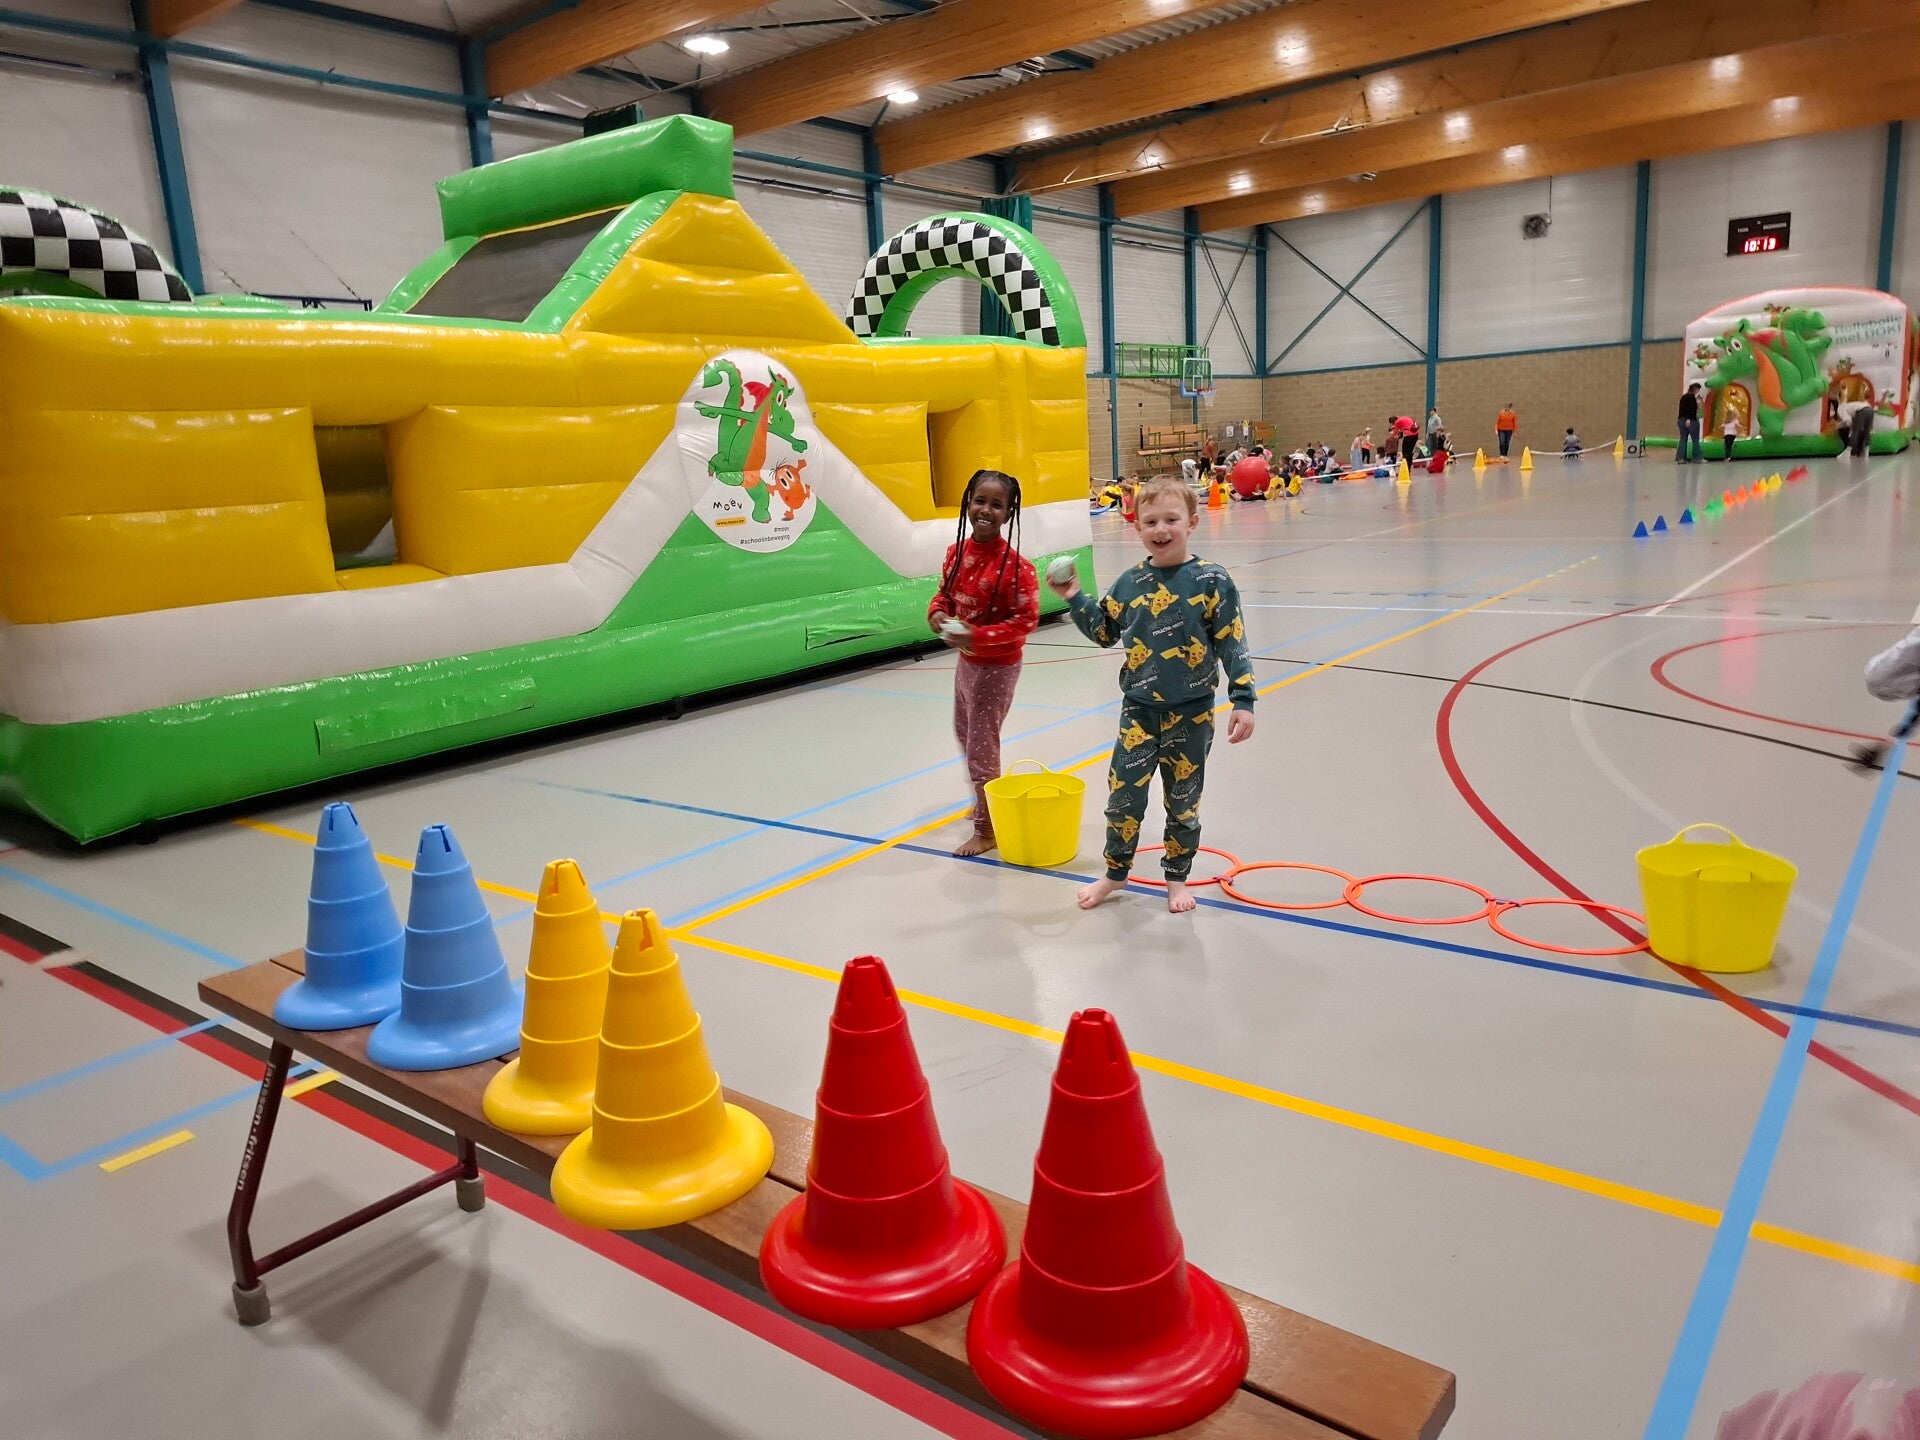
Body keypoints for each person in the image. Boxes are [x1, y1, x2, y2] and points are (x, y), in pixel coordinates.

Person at [1046, 475, 1257, 914]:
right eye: (1150, 521)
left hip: (1192, 715)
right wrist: (1075, 598)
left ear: (1192, 522)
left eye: (1171, 519)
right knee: (1122, 798)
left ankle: (1176, 878)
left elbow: (1232, 641)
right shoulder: (1130, 583)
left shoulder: (1212, 580)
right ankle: (1115, 872)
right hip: (1139, 713)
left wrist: (1243, 699)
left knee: (1183, 803)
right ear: (1137, 527)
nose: (1161, 529)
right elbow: (1104, 632)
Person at [927, 470, 1038, 858]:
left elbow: (1025, 621)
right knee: (965, 733)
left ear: (1009, 513)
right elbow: (943, 595)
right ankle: (984, 800)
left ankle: (987, 828)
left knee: (981, 746)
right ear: (967, 503)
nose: (986, 510)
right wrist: (937, 614)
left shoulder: (1017, 568)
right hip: (967, 664)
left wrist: (976, 636)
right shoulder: (956, 553)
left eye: (997, 505)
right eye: (979, 501)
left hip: (997, 669)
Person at [1677, 383, 1704, 464]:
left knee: (1683, 439)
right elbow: (1691, 409)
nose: (1698, 391)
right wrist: (1688, 419)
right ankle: (1697, 458)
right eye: (1698, 389)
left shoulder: (1683, 397)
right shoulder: (1692, 397)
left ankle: (1681, 458)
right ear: (1696, 389)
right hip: (1691, 420)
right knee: (1695, 440)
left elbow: (1683, 409)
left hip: (1681, 420)